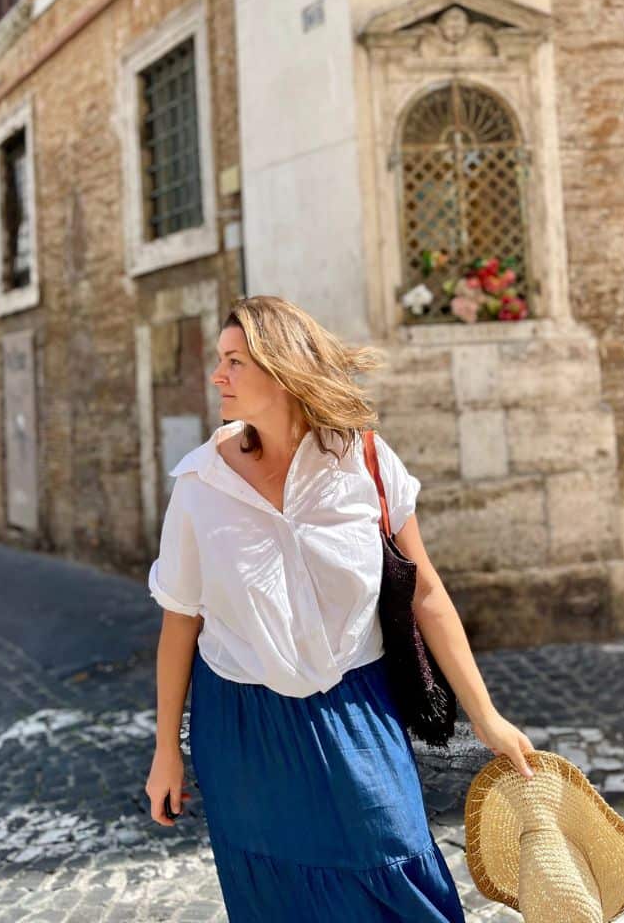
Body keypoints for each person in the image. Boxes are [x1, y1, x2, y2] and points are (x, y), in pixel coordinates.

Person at [145, 294, 535, 921]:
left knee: (399, 868)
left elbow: (426, 593)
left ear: (283, 369)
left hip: (357, 706)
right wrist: (167, 748)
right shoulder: (199, 486)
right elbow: (180, 621)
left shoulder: (366, 462)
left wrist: (486, 718)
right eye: (221, 360)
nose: (218, 376)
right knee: (277, 900)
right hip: (244, 727)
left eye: (235, 361)